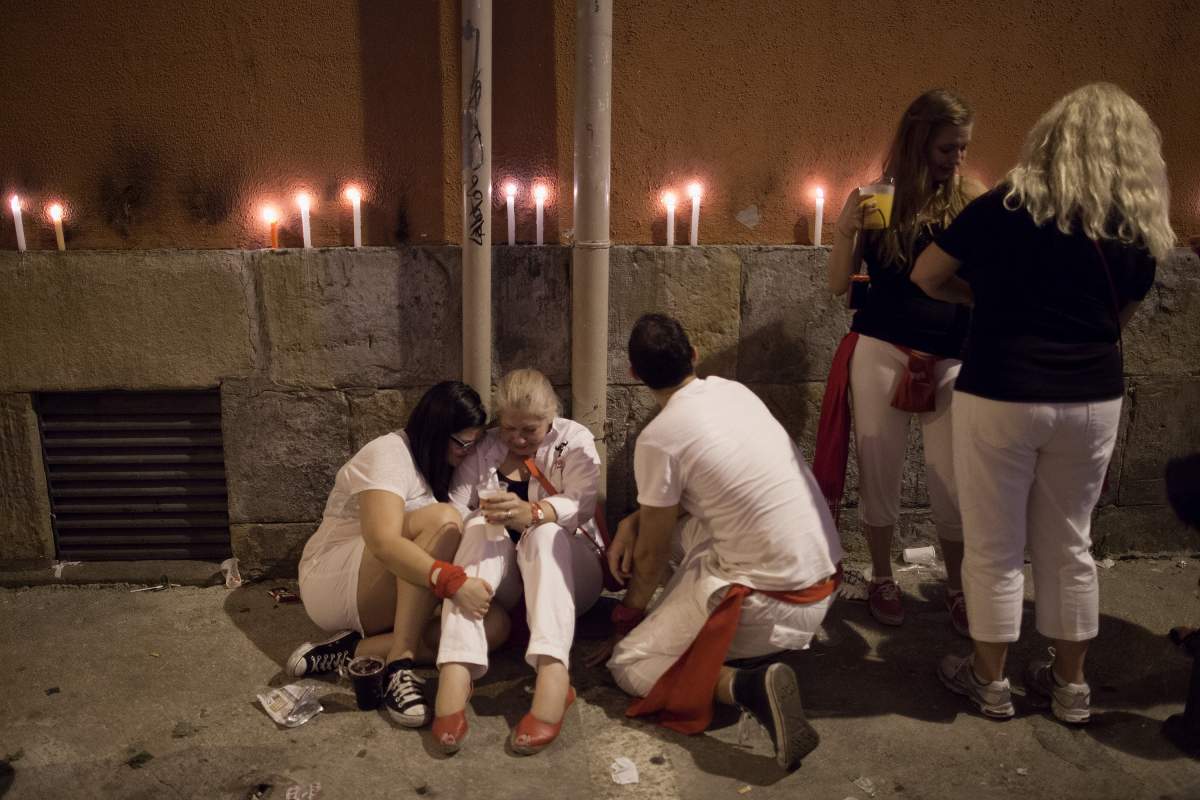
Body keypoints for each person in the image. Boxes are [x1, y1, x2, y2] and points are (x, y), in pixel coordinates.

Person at [912, 82, 1173, 724]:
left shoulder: (1006, 203)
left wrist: (989, 302)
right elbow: (1120, 319)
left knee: (995, 543)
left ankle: (988, 680)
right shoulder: (1136, 223)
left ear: (1052, 137)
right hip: (1090, 396)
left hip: (1001, 387)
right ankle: (1070, 686)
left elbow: (926, 275)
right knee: (1069, 542)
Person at [594, 314, 843, 770]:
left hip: (772, 603)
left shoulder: (658, 438)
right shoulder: (735, 391)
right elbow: (711, 492)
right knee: (681, 535)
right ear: (693, 355)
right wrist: (635, 520)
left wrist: (626, 619)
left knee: (629, 666)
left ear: (634, 376)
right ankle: (698, 625)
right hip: (823, 580)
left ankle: (745, 686)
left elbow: (648, 561)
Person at [815, 88, 984, 636]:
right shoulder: (880, 199)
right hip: (882, 345)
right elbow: (841, 285)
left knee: (952, 479)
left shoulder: (972, 199)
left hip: (952, 355)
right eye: (946, 149)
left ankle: (958, 585)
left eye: (962, 148)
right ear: (917, 143)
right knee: (879, 466)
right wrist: (846, 225)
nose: (956, 160)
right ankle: (883, 574)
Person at [286, 381, 502, 728]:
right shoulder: (388, 453)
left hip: (393, 586)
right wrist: (453, 582)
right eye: (463, 443)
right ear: (436, 432)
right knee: (444, 521)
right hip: (336, 579)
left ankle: (356, 650)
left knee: (493, 627)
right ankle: (399, 664)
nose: (467, 452)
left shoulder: (437, 468)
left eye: (473, 444)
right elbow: (383, 542)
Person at [432, 368, 604, 755]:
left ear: (551, 418)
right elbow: (455, 507)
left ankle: (553, 674)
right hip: (504, 583)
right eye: (510, 429)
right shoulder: (486, 448)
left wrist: (536, 512)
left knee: (543, 533)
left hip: (570, 572)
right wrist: (486, 516)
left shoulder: (573, 440)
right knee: (477, 524)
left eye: (531, 429)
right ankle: (457, 669)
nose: (519, 439)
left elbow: (583, 502)